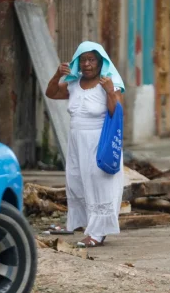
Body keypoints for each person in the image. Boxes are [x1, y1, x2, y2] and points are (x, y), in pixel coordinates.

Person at [45, 41, 125, 248]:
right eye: (83, 60)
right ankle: (83, 223)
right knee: (78, 180)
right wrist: (57, 75)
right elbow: (51, 93)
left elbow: (115, 113)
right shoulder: (73, 84)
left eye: (91, 60)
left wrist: (109, 92)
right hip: (76, 141)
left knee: (99, 184)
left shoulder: (109, 82)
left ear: (100, 63)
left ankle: (98, 233)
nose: (87, 64)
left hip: (99, 141)